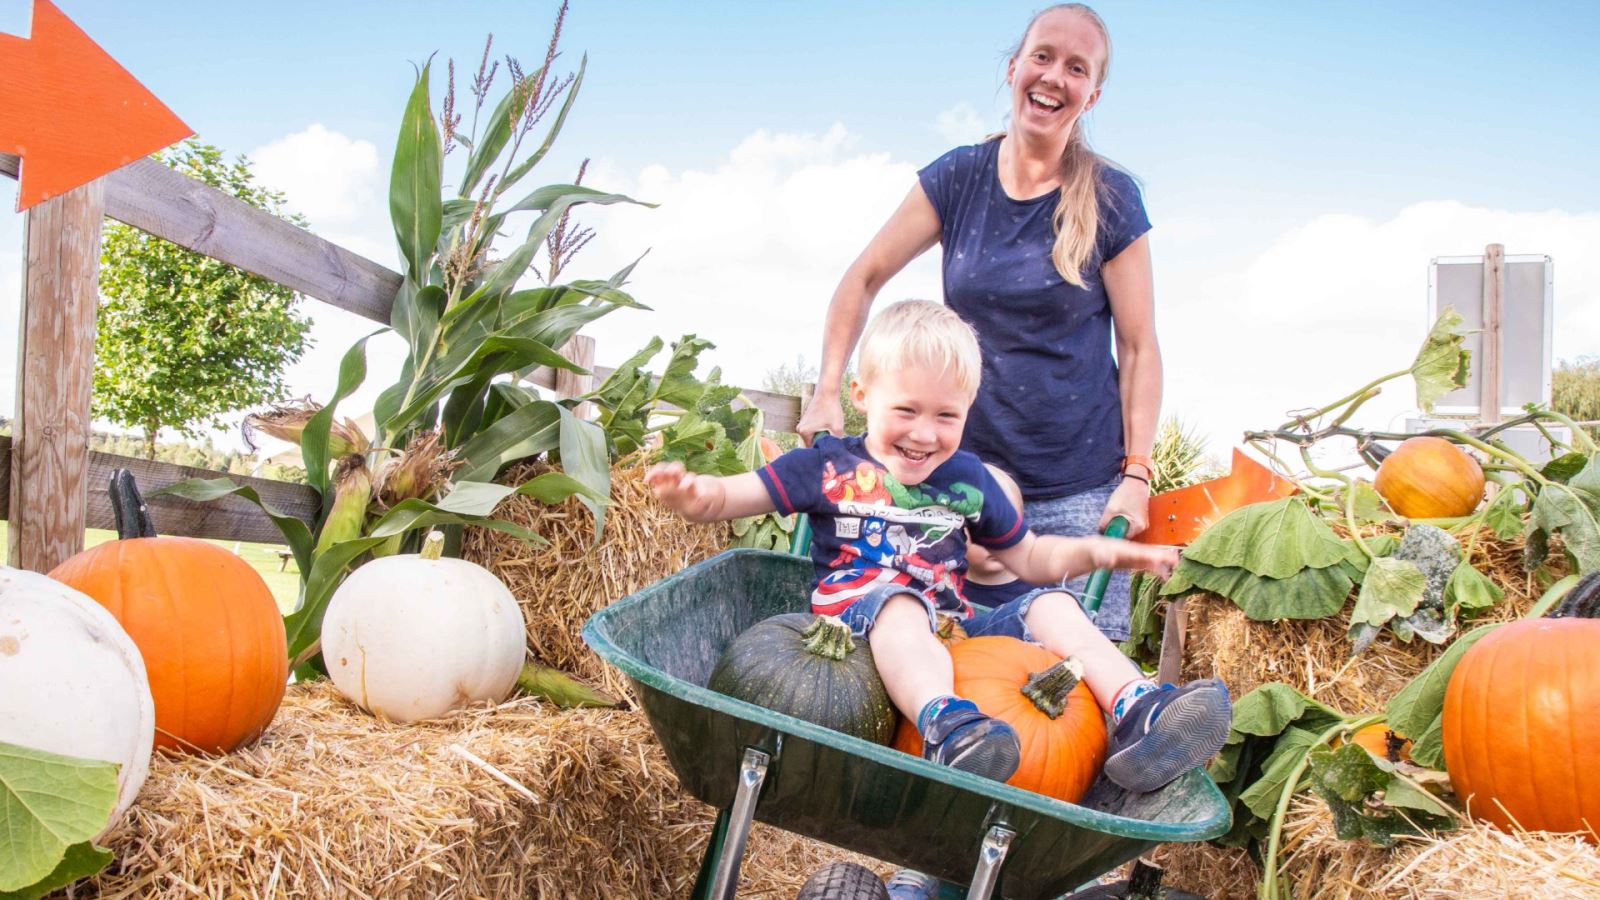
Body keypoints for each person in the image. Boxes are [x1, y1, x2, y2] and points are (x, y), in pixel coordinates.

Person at [647, 301, 1229, 794]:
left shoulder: (968, 480)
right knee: (902, 603)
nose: (925, 434)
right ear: (861, 394)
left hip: (948, 637)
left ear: (967, 412)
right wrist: (699, 496)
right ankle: (946, 728)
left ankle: (1137, 708)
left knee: (1052, 603)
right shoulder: (826, 467)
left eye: (946, 416)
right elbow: (733, 496)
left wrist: (1104, 553)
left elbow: (1028, 559)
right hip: (853, 638)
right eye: (906, 410)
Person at [795, 3, 1156, 644]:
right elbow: (863, 277)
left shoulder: (1111, 198)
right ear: (1015, 66)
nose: (1053, 77)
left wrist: (1136, 476)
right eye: (1042, 56)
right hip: (966, 486)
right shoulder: (960, 178)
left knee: (1068, 697)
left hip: (1078, 490)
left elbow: (1137, 345)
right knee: (958, 663)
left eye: (1077, 68)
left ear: (1092, 95)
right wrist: (828, 389)